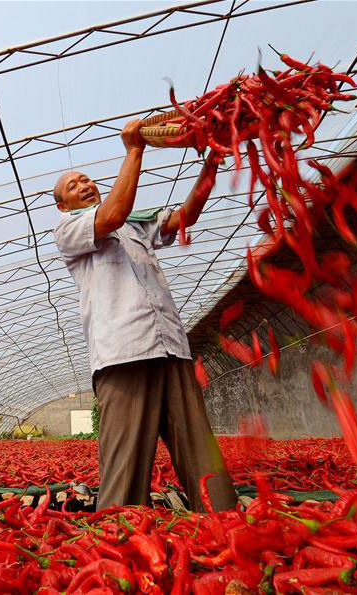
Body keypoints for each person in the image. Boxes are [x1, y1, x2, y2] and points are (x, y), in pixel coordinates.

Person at [53, 120, 236, 512]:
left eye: (87, 179)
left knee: (203, 459)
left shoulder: (135, 227)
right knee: (125, 471)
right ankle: (119, 548)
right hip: (124, 353)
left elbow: (186, 216)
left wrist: (213, 160)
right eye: (74, 186)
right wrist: (135, 149)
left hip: (171, 349)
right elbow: (113, 214)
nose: (85, 184)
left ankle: (226, 527)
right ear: (63, 205)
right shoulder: (69, 230)